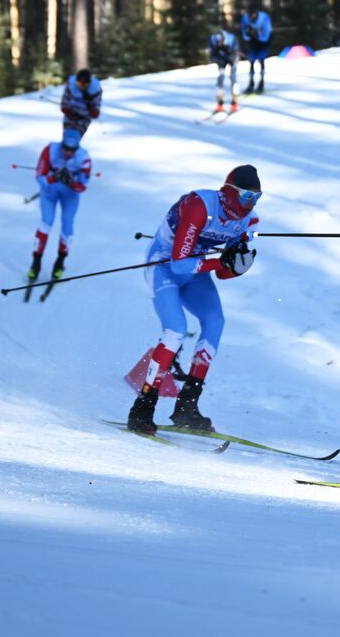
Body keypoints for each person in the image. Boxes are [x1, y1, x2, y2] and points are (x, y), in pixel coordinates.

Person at [128, 165, 263, 434]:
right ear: (229, 192)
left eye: (256, 197)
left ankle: (187, 405)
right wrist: (219, 261)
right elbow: (179, 264)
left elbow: (223, 274)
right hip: (164, 267)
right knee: (175, 330)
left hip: (196, 275)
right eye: (247, 196)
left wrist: (236, 266)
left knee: (215, 321)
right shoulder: (200, 205)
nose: (251, 203)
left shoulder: (249, 221)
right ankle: (143, 406)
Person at [29, 128, 94, 284]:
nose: (68, 152)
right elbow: (39, 176)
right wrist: (53, 178)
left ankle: (60, 262)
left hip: (69, 194)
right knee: (46, 222)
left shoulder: (84, 158)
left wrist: (71, 181)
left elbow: (83, 187)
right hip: (49, 191)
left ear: (77, 147)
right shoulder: (50, 150)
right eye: (65, 148)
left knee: (67, 224)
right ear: (61, 143)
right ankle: (36, 262)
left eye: (72, 150)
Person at [60, 69, 103, 137]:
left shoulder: (96, 90)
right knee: (67, 137)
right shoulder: (70, 87)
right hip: (71, 115)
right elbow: (64, 103)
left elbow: (96, 109)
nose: (82, 87)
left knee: (75, 138)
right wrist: (69, 113)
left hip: (85, 118)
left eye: (85, 84)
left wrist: (91, 106)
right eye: (79, 84)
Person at [240, 9, 273, 94]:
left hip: (264, 42)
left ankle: (261, 82)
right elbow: (244, 33)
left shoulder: (264, 18)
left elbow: (266, 36)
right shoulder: (245, 18)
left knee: (261, 59)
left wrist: (257, 35)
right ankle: (251, 82)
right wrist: (248, 35)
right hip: (253, 41)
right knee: (251, 61)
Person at [208, 27, 240, 114]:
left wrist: (229, 53)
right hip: (221, 59)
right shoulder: (212, 39)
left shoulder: (232, 39)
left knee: (233, 78)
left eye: (221, 41)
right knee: (220, 79)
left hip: (232, 57)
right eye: (218, 42)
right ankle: (220, 103)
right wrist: (218, 60)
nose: (220, 43)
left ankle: (235, 103)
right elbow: (211, 55)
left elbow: (236, 54)